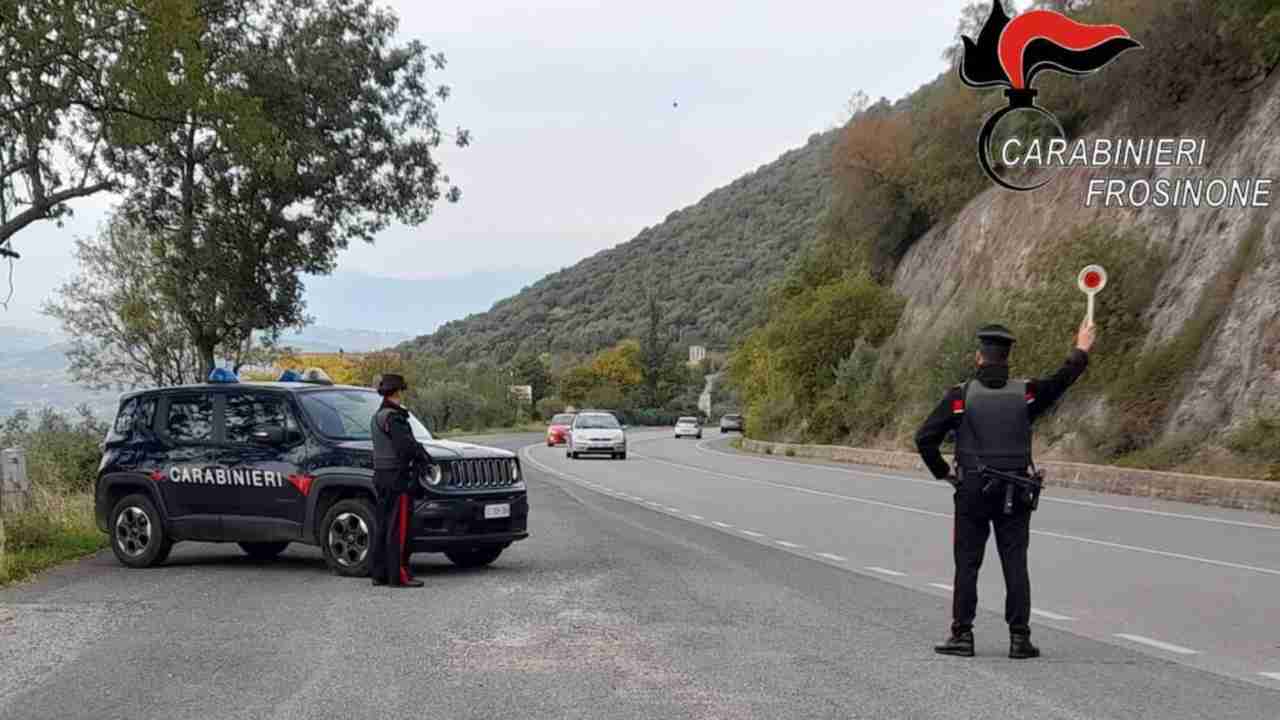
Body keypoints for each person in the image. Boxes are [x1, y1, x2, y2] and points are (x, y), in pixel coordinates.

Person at [915, 319, 1095, 658]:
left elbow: (924, 439)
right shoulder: (1026, 394)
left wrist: (946, 474)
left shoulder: (960, 396)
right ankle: (1019, 638)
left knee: (967, 564)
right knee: (1015, 562)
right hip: (1016, 492)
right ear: (1008, 356)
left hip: (971, 491)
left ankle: (962, 636)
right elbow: (1061, 381)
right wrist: (1081, 349)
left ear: (979, 357)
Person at [369, 373, 432, 588]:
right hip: (397, 478)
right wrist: (423, 456)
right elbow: (405, 447)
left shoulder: (377, 416)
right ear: (397, 392)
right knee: (400, 528)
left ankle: (379, 573)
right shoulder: (394, 417)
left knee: (384, 525)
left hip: (381, 476)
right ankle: (399, 575)